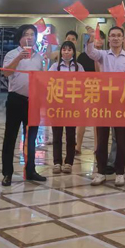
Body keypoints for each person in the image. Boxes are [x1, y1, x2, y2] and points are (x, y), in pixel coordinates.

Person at [84, 25, 125, 187]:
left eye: (118, 35)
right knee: (102, 139)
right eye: (112, 35)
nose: (115, 38)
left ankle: (120, 173)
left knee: (121, 140)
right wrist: (91, 39)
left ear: (123, 38)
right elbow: (90, 53)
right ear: (109, 39)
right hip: (104, 102)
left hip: (122, 103)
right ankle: (101, 172)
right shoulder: (102, 55)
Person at [1, 24, 46, 186]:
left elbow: (42, 79)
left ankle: (31, 170)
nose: (29, 37)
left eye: (32, 34)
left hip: (33, 101)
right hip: (15, 100)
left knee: (31, 137)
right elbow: (6, 72)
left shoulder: (39, 57)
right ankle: (7, 173)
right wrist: (19, 58)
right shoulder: (12, 54)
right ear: (20, 38)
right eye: (26, 34)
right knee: (10, 137)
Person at [50, 40, 83, 174]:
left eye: (69, 50)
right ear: (61, 52)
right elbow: (47, 81)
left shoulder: (79, 67)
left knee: (70, 135)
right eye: (64, 50)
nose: (66, 52)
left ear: (73, 52)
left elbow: (84, 84)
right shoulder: (55, 66)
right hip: (57, 105)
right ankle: (57, 162)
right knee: (57, 135)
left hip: (72, 106)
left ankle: (69, 162)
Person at [75, 29, 104, 155]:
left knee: (98, 121)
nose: (98, 40)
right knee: (82, 119)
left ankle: (97, 147)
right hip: (85, 90)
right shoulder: (82, 56)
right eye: (95, 38)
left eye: (100, 38)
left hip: (101, 91)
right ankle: (78, 146)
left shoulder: (105, 55)